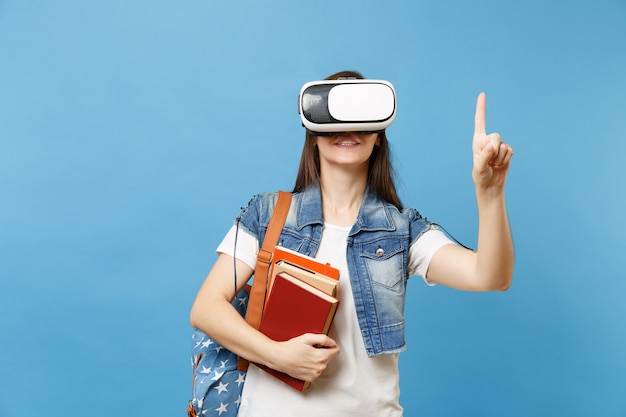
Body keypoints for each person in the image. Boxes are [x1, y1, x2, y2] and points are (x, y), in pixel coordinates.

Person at [189, 70, 514, 416]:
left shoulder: (402, 229)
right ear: (313, 135)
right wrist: (277, 355)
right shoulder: (267, 213)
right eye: (333, 115)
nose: (348, 128)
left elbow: (491, 276)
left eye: (362, 115)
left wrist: (490, 192)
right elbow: (206, 307)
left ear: (379, 136)